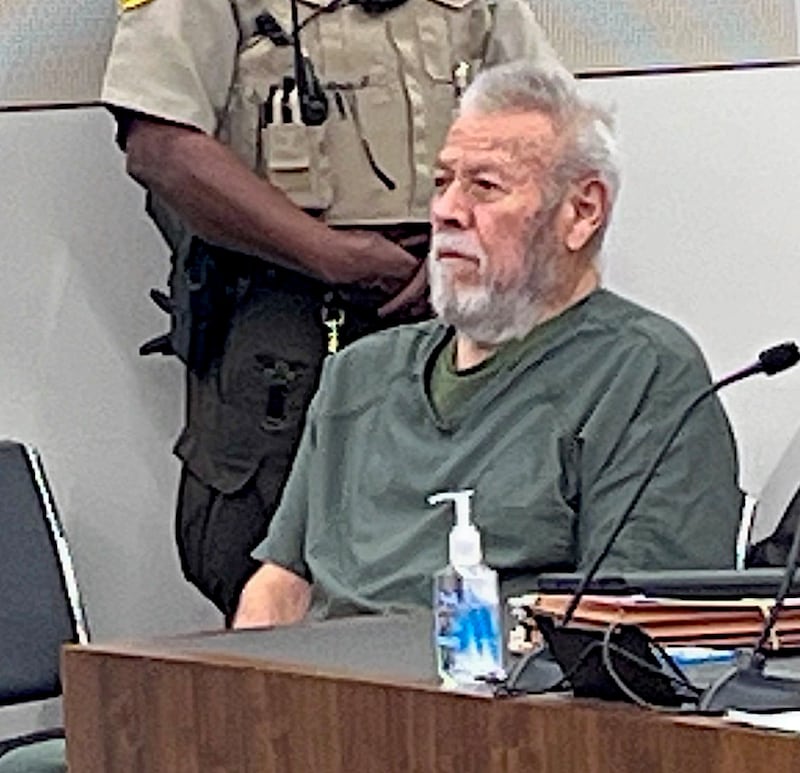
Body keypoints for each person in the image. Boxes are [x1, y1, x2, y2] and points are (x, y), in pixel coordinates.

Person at [233, 61, 743, 629]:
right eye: (443, 181)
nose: (447, 210)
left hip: (507, 704)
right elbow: (280, 587)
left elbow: (637, 629)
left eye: (485, 186)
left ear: (582, 211)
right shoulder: (361, 374)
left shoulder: (643, 373)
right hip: (327, 703)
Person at [100, 0, 561, 623]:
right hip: (285, 313)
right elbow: (161, 146)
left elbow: (547, 128)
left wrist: (464, 246)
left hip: (455, 308)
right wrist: (328, 255)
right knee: (263, 564)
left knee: (474, 549)